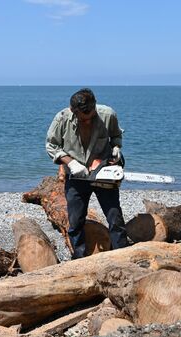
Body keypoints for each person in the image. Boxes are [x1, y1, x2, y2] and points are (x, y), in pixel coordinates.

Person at [46, 88, 128, 259]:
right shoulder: (62, 119)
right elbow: (51, 146)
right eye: (84, 119)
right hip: (76, 176)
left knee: (115, 217)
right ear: (73, 111)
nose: (88, 122)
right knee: (75, 221)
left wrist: (116, 148)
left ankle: (123, 254)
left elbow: (116, 136)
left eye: (91, 117)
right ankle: (79, 257)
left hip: (103, 173)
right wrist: (71, 162)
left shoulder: (108, 115)